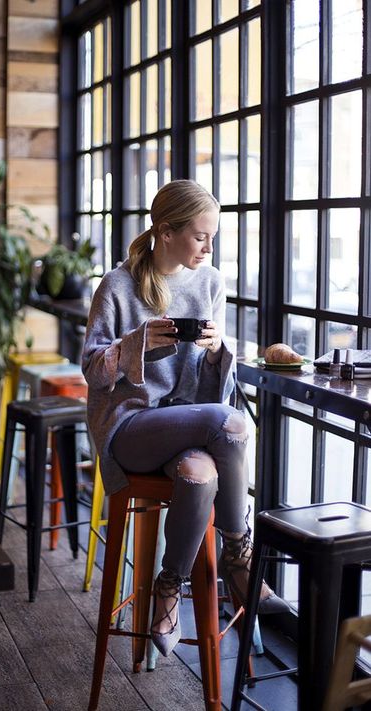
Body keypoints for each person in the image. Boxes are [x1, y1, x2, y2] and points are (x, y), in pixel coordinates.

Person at [82, 179, 288, 657]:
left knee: (199, 474)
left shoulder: (211, 282)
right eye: (200, 236)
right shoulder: (117, 285)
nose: (209, 247)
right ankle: (240, 556)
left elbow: (213, 384)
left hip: (188, 423)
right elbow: (93, 371)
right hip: (130, 426)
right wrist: (137, 343)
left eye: (213, 236)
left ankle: (168, 585)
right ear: (165, 231)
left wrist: (218, 351)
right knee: (232, 423)